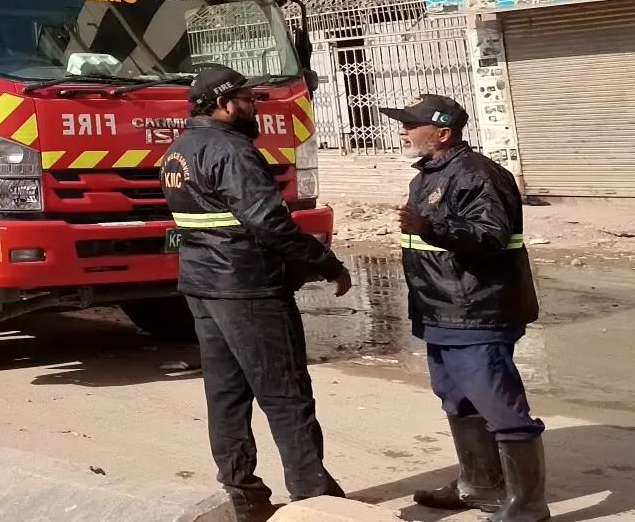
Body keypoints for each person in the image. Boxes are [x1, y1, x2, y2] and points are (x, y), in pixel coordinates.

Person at [161, 65, 354, 521]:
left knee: (226, 394)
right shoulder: (231, 149)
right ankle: (313, 499)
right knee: (286, 392)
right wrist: (326, 263)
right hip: (247, 285)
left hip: (203, 285)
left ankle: (242, 494)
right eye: (248, 100)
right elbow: (269, 223)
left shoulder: (179, 149)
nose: (255, 108)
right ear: (225, 104)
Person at [382, 94, 548, 522]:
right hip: (440, 310)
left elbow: (491, 236)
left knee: (501, 407)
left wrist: (431, 226)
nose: (402, 130)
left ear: (442, 133)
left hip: (476, 311)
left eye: (410, 124)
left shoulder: (479, 175)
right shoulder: (430, 175)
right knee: (458, 400)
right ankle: (480, 485)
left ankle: (527, 505)